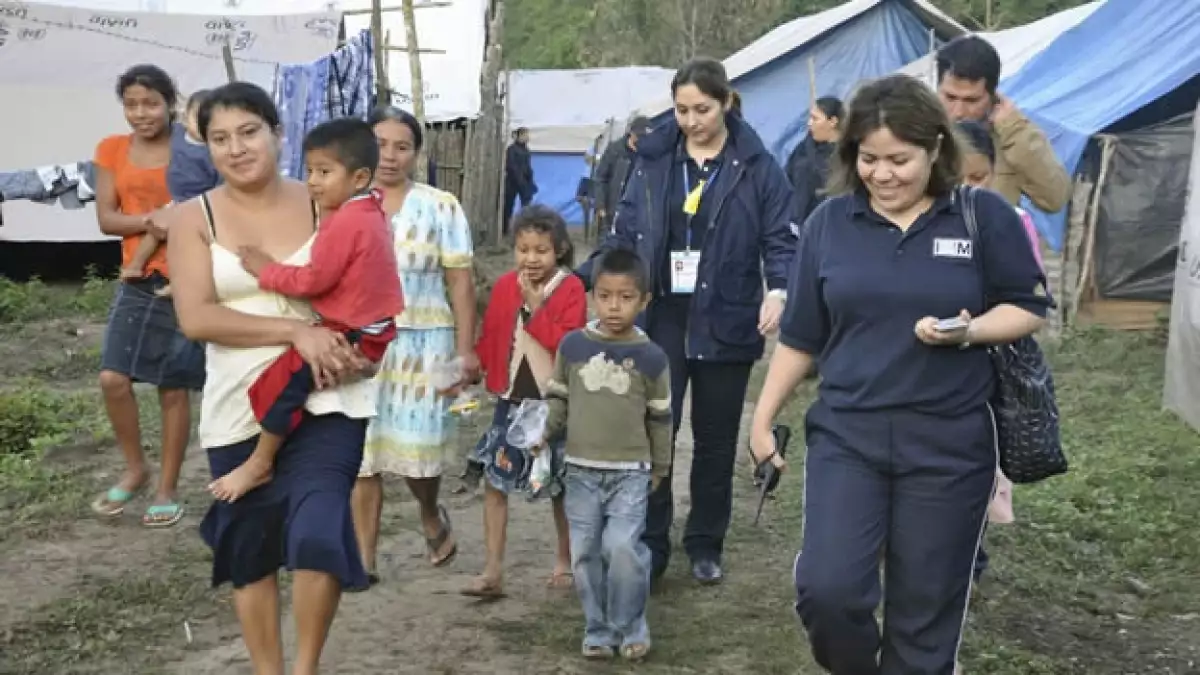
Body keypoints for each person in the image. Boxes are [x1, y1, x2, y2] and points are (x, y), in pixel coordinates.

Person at [749, 74, 1051, 674]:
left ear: (936, 150)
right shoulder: (829, 226)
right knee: (829, 591)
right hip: (849, 436)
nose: (883, 174)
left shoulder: (979, 217)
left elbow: (1027, 307)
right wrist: (762, 420)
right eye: (868, 159)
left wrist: (969, 331)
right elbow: (802, 337)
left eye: (899, 160)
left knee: (924, 616)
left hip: (950, 442)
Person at [167, 81, 377, 675]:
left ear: (278, 133)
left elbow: (369, 285)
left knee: (317, 528)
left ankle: (304, 668)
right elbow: (196, 316)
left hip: (329, 393)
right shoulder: (193, 218)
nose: (236, 148)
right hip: (237, 403)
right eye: (219, 138)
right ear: (205, 147)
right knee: (250, 547)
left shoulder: (326, 203)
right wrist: (293, 332)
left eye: (249, 132)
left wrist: (361, 344)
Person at [582, 56, 797, 585]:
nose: (691, 120)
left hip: (727, 311)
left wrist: (779, 290)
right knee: (655, 430)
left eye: (702, 108)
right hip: (663, 316)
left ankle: (705, 542)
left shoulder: (756, 165)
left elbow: (780, 238)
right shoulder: (654, 160)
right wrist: (588, 278)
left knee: (717, 436)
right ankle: (651, 543)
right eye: (681, 109)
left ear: (725, 103)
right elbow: (625, 232)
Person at [206, 117, 404, 503]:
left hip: (353, 331)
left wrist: (267, 271)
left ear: (360, 177)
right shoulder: (370, 210)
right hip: (374, 328)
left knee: (282, 384)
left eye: (324, 172)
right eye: (309, 170)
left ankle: (261, 460)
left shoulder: (345, 222)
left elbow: (313, 280)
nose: (312, 181)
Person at [353, 105, 477, 584]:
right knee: (364, 455)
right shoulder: (345, 201)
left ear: (416, 154)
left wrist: (465, 351)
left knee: (420, 451)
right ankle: (364, 559)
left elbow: (461, 285)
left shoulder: (441, 205)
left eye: (401, 146)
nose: (389, 156)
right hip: (362, 348)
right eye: (380, 144)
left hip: (429, 344)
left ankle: (429, 512)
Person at [88, 64, 205, 528]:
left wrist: (176, 220)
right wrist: (157, 219)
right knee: (113, 379)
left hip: (191, 276)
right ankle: (136, 468)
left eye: (150, 103)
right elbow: (106, 219)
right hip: (136, 277)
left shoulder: (190, 145)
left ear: (169, 102)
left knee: (172, 385)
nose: (141, 113)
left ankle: (167, 486)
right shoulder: (111, 150)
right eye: (132, 104)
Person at [543, 248, 671, 662]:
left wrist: (661, 466)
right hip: (580, 470)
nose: (614, 306)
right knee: (584, 552)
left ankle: (630, 625)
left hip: (631, 473)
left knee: (620, 547)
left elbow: (661, 418)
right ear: (592, 296)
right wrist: (541, 434)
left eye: (626, 297)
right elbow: (558, 400)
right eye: (604, 295)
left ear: (644, 300)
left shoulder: (652, 357)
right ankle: (597, 628)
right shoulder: (574, 346)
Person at [461, 204, 587, 599]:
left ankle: (565, 562)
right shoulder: (503, 288)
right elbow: (493, 336)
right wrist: (473, 367)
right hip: (511, 401)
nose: (531, 259)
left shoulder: (571, 290)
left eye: (541, 251)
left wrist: (535, 306)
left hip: (554, 405)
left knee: (560, 486)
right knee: (496, 482)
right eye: (523, 249)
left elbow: (567, 344)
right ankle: (493, 569)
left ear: (560, 251)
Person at [959, 118, 1045, 584]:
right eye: (959, 177)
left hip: (993, 359)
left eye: (979, 178)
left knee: (983, 461)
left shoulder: (1010, 223)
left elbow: (1030, 295)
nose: (969, 187)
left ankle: (972, 551)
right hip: (944, 360)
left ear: (992, 172)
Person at [936, 35, 1071, 212]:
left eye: (972, 100)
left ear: (993, 96)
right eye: (950, 97)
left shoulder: (1011, 137)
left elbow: (1055, 199)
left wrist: (1014, 131)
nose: (959, 111)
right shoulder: (919, 132)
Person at [121, 88, 222, 296]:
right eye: (195, 118)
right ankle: (134, 266)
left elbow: (221, 182)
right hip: (177, 198)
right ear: (186, 117)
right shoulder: (177, 133)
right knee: (154, 231)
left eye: (207, 120)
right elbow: (166, 119)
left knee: (185, 246)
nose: (200, 125)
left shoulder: (213, 150)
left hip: (199, 203)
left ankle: (178, 282)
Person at [786, 96, 844, 224]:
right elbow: (786, 181)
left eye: (815, 118)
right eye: (810, 117)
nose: (809, 123)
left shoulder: (849, 154)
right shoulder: (803, 150)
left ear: (832, 121)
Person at [593, 116, 652, 235]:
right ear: (631, 132)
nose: (641, 140)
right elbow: (600, 178)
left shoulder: (650, 153)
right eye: (638, 136)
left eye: (645, 137)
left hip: (641, 212)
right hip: (615, 209)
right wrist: (600, 206)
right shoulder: (615, 149)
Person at [503, 126, 536, 233]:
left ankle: (525, 227)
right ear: (518, 136)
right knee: (508, 205)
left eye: (527, 135)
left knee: (526, 205)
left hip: (525, 182)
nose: (526, 137)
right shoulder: (511, 149)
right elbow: (511, 166)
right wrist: (519, 179)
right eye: (524, 135)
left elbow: (528, 166)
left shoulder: (526, 150)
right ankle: (505, 228)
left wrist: (530, 180)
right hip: (512, 182)